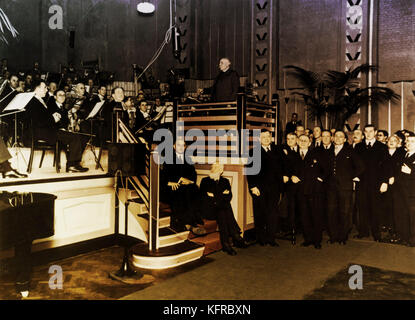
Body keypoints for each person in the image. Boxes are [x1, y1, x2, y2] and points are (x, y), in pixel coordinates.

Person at [24, 80, 88, 173]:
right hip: (41, 133)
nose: (47, 90)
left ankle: (73, 164)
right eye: (45, 87)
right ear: (37, 89)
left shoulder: (38, 100)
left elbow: (42, 118)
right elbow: (38, 122)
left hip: (45, 131)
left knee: (76, 136)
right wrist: (53, 119)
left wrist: (53, 118)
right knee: (74, 137)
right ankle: (72, 165)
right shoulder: (33, 101)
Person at [200, 163, 248, 255]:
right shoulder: (205, 181)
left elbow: (229, 196)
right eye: (215, 168)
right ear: (211, 169)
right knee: (225, 208)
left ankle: (226, 244)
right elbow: (204, 198)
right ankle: (235, 235)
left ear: (222, 171)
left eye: (219, 168)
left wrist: (215, 196)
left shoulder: (225, 181)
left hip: (220, 209)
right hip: (209, 210)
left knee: (222, 211)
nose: (217, 170)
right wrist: (221, 195)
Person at [247, 129, 285, 246]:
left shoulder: (278, 150)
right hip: (259, 188)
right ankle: (261, 238)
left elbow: (284, 166)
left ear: (271, 137)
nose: (266, 139)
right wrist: (253, 186)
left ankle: (271, 238)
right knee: (260, 213)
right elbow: (249, 170)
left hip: (274, 188)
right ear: (259, 139)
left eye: (268, 136)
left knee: (273, 214)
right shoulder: (253, 152)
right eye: (263, 137)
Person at [325, 130, 364, 244]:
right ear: (333, 138)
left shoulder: (350, 151)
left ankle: (342, 237)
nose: (338, 138)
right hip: (331, 187)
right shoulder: (328, 151)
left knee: (344, 212)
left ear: (345, 139)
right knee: (331, 211)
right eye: (336, 136)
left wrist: (351, 177)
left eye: (341, 136)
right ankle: (333, 236)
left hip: (345, 187)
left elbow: (361, 167)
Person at [160, 139, 206, 235]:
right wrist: (174, 181)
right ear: (174, 146)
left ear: (185, 147)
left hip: (185, 187)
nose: (181, 147)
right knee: (183, 192)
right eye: (179, 145)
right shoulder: (168, 158)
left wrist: (188, 181)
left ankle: (189, 222)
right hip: (171, 187)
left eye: (183, 145)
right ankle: (192, 223)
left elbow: (193, 174)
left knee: (194, 189)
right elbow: (163, 177)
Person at [291, 134, 326, 249]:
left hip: (314, 190)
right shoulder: (294, 155)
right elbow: (289, 169)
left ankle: (317, 240)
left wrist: (320, 179)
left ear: (309, 143)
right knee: (304, 216)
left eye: (305, 140)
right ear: (297, 141)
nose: (303, 142)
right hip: (300, 191)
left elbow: (325, 169)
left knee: (316, 215)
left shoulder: (316, 154)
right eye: (300, 140)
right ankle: (308, 239)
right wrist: (292, 176)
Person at [354, 124, 388, 241]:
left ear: (375, 132)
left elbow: (386, 166)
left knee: (375, 209)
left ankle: (376, 234)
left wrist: (384, 182)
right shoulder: (358, 147)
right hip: (361, 182)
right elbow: (353, 164)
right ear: (364, 133)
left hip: (376, 183)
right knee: (362, 208)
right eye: (366, 131)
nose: (368, 134)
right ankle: (363, 232)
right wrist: (355, 176)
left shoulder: (382, 147)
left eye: (370, 131)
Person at [381, 134, 405, 243]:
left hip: (397, 185)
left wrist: (394, 177)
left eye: (394, 140)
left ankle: (396, 230)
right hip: (384, 185)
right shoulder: (382, 153)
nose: (391, 142)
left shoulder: (402, 153)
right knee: (386, 206)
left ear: (398, 143)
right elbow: (379, 169)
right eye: (390, 140)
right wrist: (384, 181)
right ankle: (389, 228)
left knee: (396, 207)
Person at [393, 133, 415, 246]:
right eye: (408, 141)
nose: (409, 143)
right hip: (401, 191)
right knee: (402, 215)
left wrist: (411, 172)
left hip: (412, 193)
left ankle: (413, 240)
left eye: (412, 141)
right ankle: (403, 237)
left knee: (412, 217)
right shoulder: (404, 155)